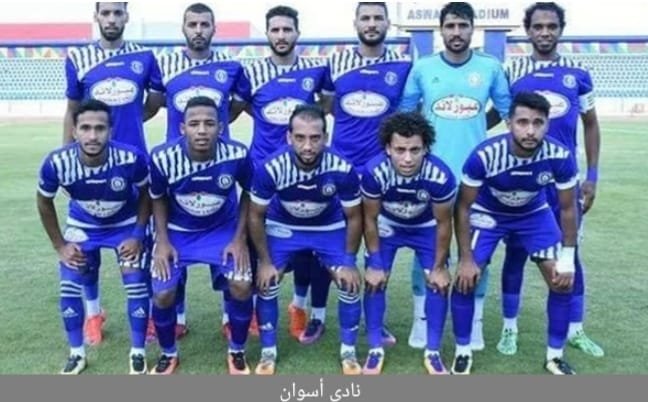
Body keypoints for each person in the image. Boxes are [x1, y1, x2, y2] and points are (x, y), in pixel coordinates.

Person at [487, 2, 603, 358]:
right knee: (516, 253)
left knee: (571, 253)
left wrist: (592, 176)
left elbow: (591, 124)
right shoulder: (513, 71)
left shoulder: (578, 73)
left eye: (551, 26)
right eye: (538, 26)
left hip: (564, 183)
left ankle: (575, 330)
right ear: (528, 31)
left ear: (560, 30)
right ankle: (509, 328)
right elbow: (495, 116)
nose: (545, 32)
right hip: (523, 183)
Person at [399, 1, 511, 350]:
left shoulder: (490, 67)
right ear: (441, 30)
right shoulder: (423, 68)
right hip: (430, 176)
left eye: (463, 25)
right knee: (428, 250)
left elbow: (507, 111)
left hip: (476, 179)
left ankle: (474, 323)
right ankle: (421, 321)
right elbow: (406, 117)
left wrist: (477, 126)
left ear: (473, 29)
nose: (457, 32)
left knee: (475, 252)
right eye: (450, 26)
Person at [452, 92, 579, 375]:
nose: (530, 130)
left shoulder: (559, 155)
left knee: (561, 280)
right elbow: (462, 207)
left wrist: (568, 256)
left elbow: (568, 208)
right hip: (488, 214)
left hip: (533, 214)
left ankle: (555, 357)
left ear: (547, 124)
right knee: (465, 279)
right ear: (509, 123)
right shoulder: (485, 155)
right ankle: (463, 352)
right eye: (522, 122)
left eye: (538, 123)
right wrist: (465, 258)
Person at [147, 2, 250, 340]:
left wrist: (212, 131)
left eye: (205, 24)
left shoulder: (231, 67)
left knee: (222, 231)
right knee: (176, 243)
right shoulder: (165, 65)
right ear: (183, 28)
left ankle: (230, 315)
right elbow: (154, 104)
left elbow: (238, 105)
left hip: (219, 164)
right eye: (192, 24)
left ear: (214, 28)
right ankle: (176, 316)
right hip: (177, 168)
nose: (199, 30)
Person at [62, 2, 163, 346]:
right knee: (85, 250)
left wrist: (130, 120)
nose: (111, 18)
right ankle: (93, 314)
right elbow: (73, 111)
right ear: (96, 16)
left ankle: (147, 315)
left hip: (134, 168)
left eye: (117, 12)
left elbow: (154, 102)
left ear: (126, 16)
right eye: (105, 12)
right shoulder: (79, 57)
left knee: (138, 245)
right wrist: (68, 156)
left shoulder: (144, 57)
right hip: (90, 165)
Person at [234, 5, 331, 345]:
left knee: (309, 245)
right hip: (263, 170)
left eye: (287, 29)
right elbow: (244, 107)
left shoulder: (315, 69)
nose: (281, 35)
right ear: (267, 34)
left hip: (305, 170)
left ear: (297, 33)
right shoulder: (252, 71)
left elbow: (324, 108)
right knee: (258, 241)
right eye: (275, 30)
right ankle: (253, 310)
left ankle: (301, 308)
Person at [37, 99, 152, 375]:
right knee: (70, 284)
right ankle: (77, 353)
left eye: (100, 128)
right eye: (85, 128)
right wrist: (60, 245)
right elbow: (43, 201)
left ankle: (137, 352)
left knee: (135, 281)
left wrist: (138, 234)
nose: (92, 135)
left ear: (110, 131)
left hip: (124, 224)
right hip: (83, 225)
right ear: (74, 131)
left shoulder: (131, 158)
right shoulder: (57, 162)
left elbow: (147, 194)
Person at [322, 1, 412, 347]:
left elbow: (406, 113)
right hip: (341, 169)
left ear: (388, 23)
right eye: (366, 18)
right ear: (355, 22)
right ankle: (316, 315)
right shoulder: (336, 62)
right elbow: (328, 106)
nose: (371, 24)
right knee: (330, 242)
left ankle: (376, 321)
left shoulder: (403, 65)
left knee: (378, 246)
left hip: (382, 172)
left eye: (378, 18)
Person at [248, 105, 363, 375]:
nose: (308, 146)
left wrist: (348, 262)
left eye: (315, 138)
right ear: (289, 137)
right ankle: (268, 352)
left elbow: (354, 217)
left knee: (349, 283)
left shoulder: (342, 168)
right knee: (267, 282)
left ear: (326, 137)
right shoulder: (271, 168)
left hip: (327, 227)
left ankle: (348, 351)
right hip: (284, 226)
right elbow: (255, 216)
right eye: (300, 138)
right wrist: (265, 262)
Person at [147, 96, 254, 375]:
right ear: (182, 128)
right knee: (163, 294)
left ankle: (237, 350)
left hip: (223, 230)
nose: (202, 130)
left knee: (242, 285)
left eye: (209, 123)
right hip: (178, 232)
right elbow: (157, 198)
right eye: (194, 124)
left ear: (221, 127)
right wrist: (162, 240)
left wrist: (239, 239)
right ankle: (168, 353)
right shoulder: (162, 157)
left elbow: (249, 193)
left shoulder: (237, 154)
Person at [360, 112, 456, 375]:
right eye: (400, 150)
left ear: (425, 149)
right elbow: (369, 218)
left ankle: (433, 351)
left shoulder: (439, 175)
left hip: (426, 228)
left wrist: (439, 267)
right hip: (387, 226)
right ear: (388, 148)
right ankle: (375, 348)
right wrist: (375, 263)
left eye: (415, 150)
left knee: (438, 284)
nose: (407, 158)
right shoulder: (374, 171)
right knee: (375, 280)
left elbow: (444, 223)